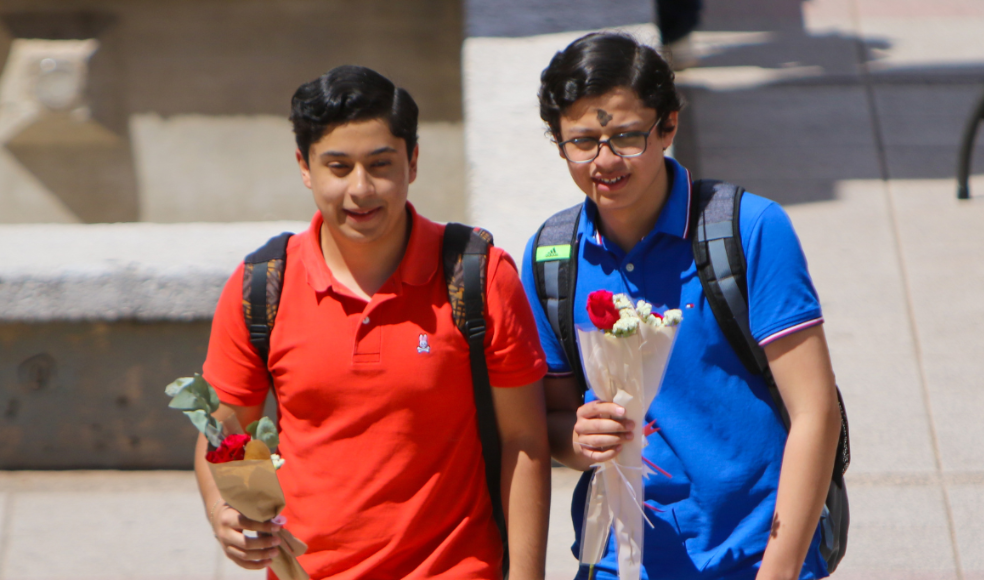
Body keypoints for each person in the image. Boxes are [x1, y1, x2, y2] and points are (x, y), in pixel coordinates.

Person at [195, 65, 550, 580]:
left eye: (380, 165)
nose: (361, 189)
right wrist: (222, 513)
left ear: (413, 161)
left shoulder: (479, 275)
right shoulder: (261, 286)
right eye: (338, 167)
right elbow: (223, 432)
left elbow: (526, 441)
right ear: (304, 166)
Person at [521, 33, 842, 579]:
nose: (604, 161)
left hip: (751, 558)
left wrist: (780, 569)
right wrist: (576, 439)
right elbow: (548, 422)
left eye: (626, 137)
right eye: (583, 141)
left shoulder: (748, 230)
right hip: (616, 563)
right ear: (559, 143)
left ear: (668, 125)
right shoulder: (552, 255)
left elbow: (816, 412)